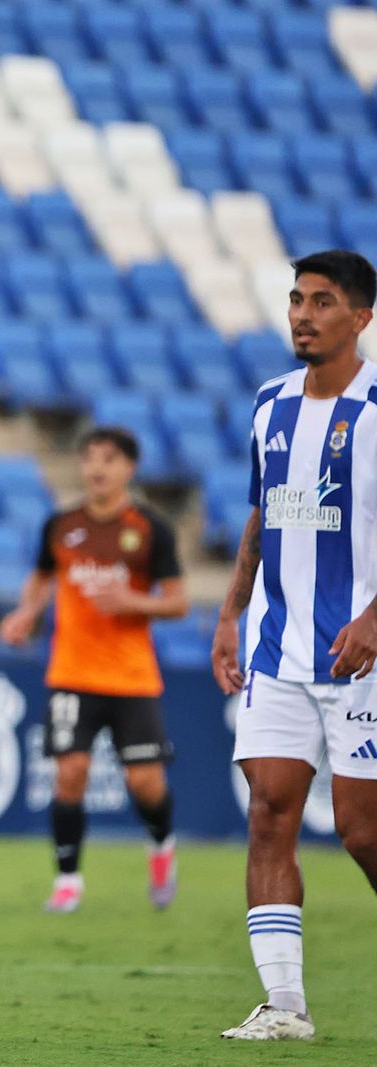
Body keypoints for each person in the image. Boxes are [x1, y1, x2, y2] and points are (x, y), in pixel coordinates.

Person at [211, 249, 377, 1042]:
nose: (303, 314)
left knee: (363, 830)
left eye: (322, 301)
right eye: (296, 300)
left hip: (362, 656)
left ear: (362, 317)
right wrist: (229, 612)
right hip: (278, 650)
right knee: (270, 812)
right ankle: (285, 1005)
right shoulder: (269, 403)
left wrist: (376, 614)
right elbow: (262, 515)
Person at [0, 427, 189, 914]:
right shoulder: (60, 527)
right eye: (89, 459)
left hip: (131, 678)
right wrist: (27, 612)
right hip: (72, 674)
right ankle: (68, 882)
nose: (97, 469)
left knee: (145, 783)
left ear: (129, 467)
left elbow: (179, 602)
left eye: (108, 459)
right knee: (70, 772)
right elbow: (42, 577)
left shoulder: (149, 529)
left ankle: (162, 846)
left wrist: (132, 600)